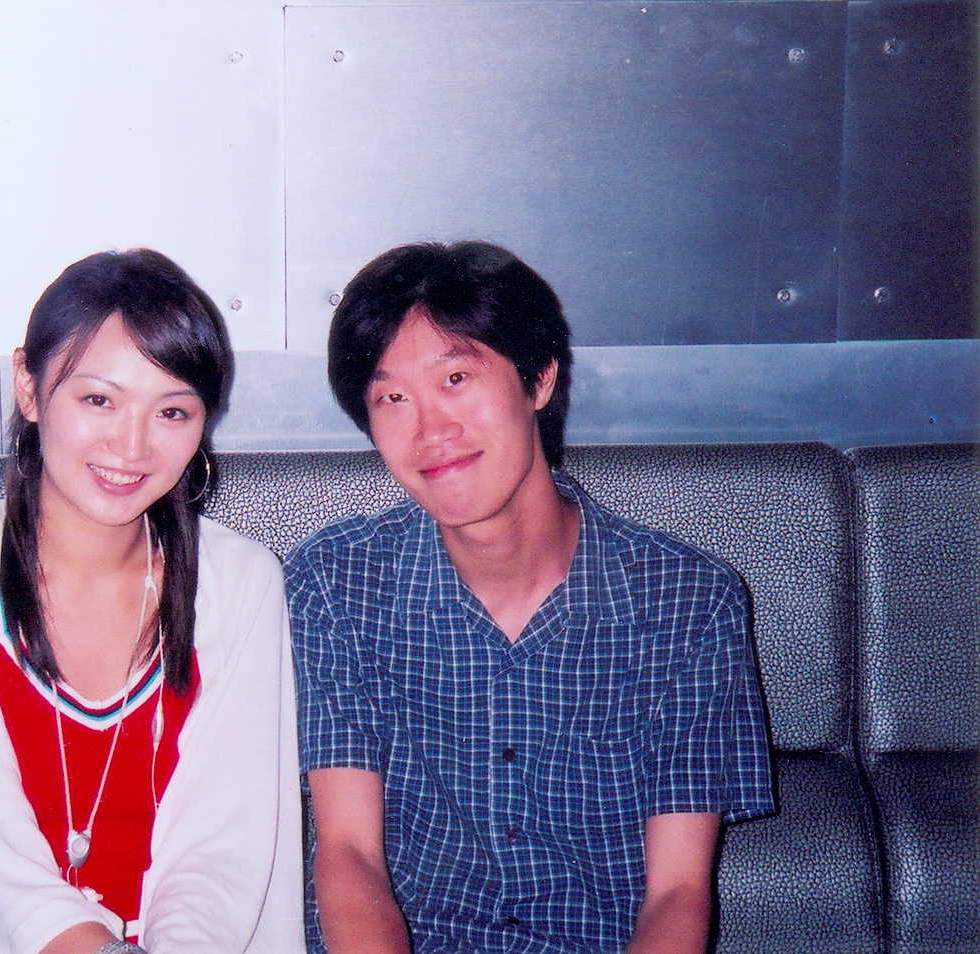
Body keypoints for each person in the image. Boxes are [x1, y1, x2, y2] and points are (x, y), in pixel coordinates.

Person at [286, 241, 775, 953]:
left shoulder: (686, 600)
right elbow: (349, 851)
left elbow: (677, 892)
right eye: (392, 398)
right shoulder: (336, 580)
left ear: (538, 380)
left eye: (455, 378)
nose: (431, 430)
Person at [0, 249, 303, 954]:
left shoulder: (241, 587)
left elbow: (224, 853)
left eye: (172, 411)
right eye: (98, 400)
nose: (131, 446)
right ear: (29, 386)